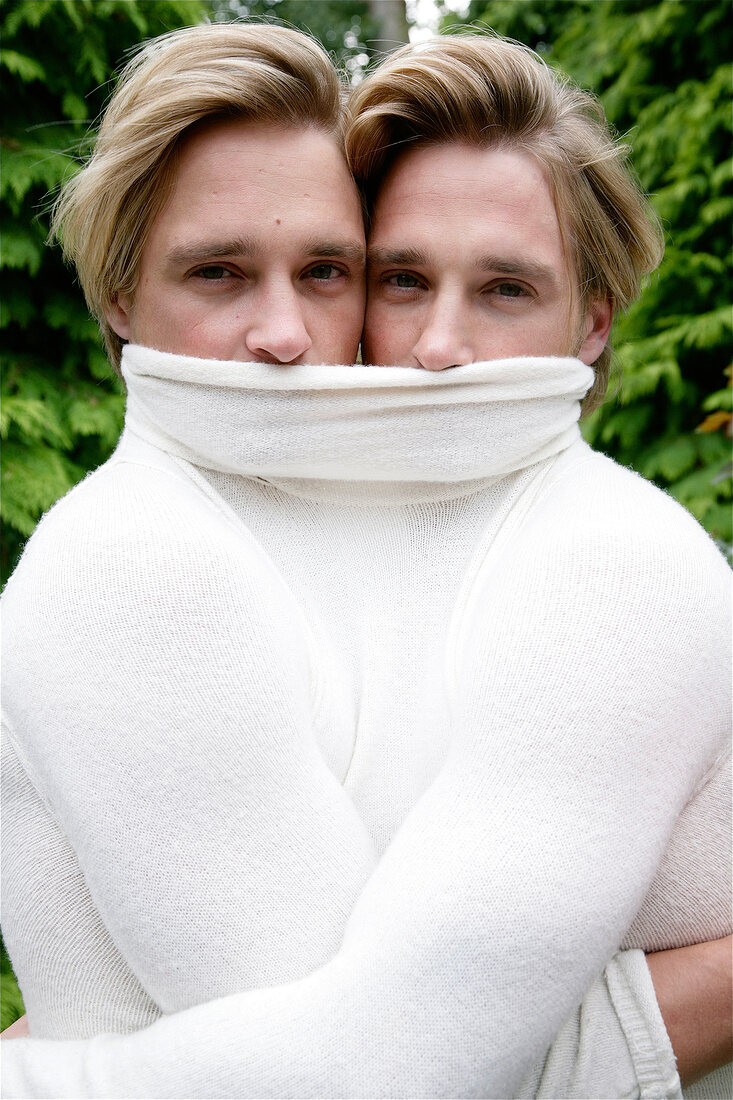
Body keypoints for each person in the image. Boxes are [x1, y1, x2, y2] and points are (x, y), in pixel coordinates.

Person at [2, 23, 730, 1100]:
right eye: (400, 279)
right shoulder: (132, 558)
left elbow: (390, 1059)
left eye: (328, 270)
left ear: (594, 319)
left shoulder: (607, 557)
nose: (288, 333)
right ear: (116, 295)